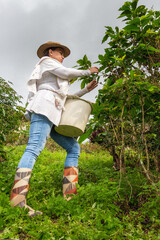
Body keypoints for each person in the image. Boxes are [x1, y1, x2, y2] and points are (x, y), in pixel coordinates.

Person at [10, 41, 99, 217]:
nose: (63, 56)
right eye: (60, 52)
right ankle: (17, 201)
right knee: (34, 147)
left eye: (63, 54)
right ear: (50, 52)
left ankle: (70, 196)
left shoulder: (56, 76)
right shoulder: (46, 61)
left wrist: (86, 89)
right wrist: (87, 72)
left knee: (74, 147)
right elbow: (66, 72)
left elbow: (66, 97)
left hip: (55, 112)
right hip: (44, 106)